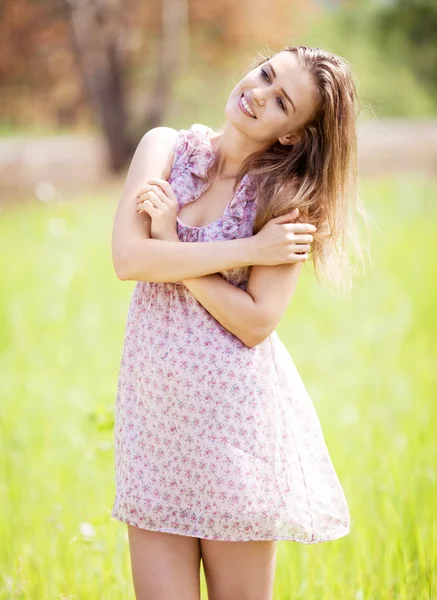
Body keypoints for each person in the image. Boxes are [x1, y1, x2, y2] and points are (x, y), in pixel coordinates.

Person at [111, 45, 368, 600]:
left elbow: (255, 323)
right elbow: (129, 261)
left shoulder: (285, 200)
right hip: (154, 425)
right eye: (266, 73)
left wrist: (171, 245)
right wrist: (247, 250)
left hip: (234, 434)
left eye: (281, 101)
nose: (257, 93)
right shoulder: (164, 149)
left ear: (292, 135)